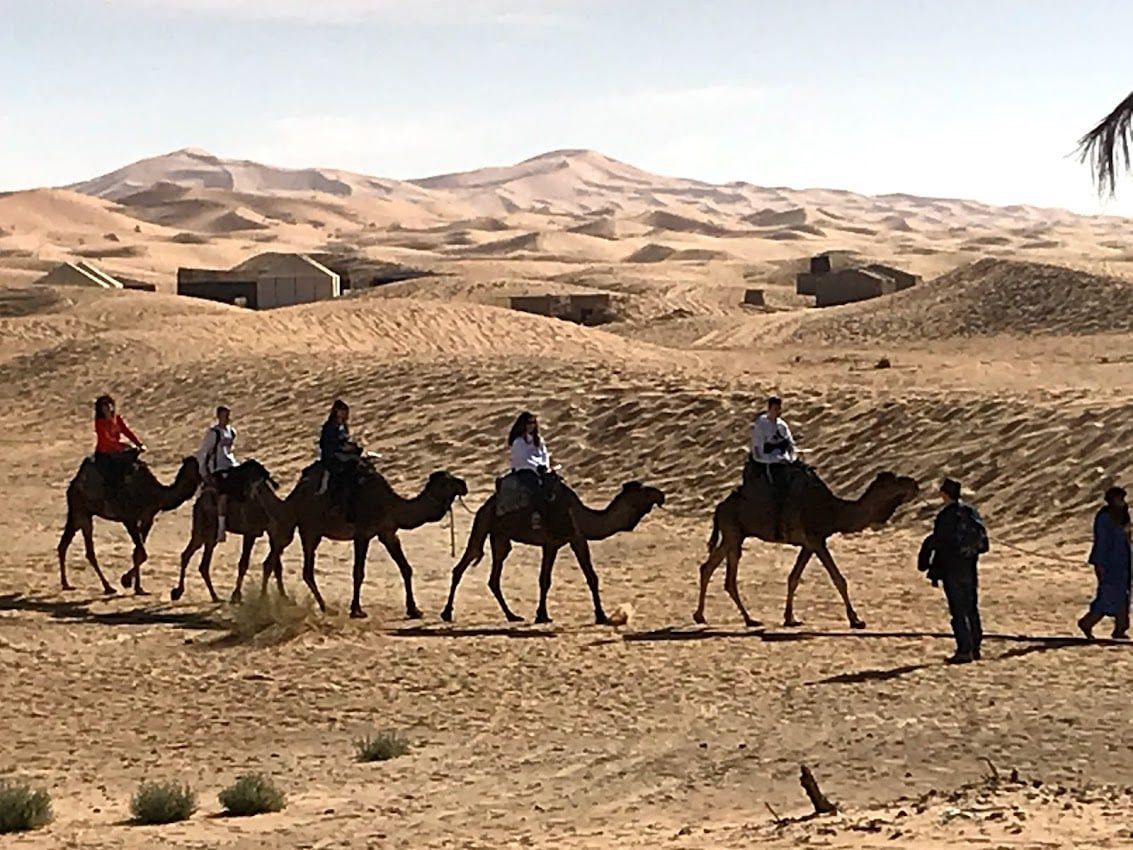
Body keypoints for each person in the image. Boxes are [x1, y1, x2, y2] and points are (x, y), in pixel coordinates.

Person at [928, 478, 988, 665]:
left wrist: (933, 570)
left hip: (952, 569)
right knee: (971, 607)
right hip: (969, 566)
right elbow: (983, 543)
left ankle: (964, 649)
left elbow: (940, 544)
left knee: (958, 610)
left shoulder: (945, 516)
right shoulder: (971, 513)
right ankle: (976, 646)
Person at [1078, 486, 1131, 641]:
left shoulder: (1123, 516)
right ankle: (1087, 623)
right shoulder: (1105, 517)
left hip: (1124, 562)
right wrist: (1100, 564)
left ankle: (1120, 629)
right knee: (1107, 596)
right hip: (1108, 563)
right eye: (1118, 499)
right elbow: (1102, 542)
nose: (1121, 502)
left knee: (1124, 597)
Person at [749, 396, 797, 539]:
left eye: (779, 409)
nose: (778, 412)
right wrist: (769, 456)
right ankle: (776, 524)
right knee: (778, 490)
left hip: (784, 461)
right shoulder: (761, 424)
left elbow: (791, 444)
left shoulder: (782, 426)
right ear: (769, 408)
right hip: (768, 463)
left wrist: (790, 457)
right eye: (775, 409)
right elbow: (758, 448)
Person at [196, 406, 239, 542]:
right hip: (218, 469)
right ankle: (221, 528)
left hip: (231, 465)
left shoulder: (231, 431)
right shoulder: (214, 433)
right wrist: (204, 472)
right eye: (224, 415)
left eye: (228, 415)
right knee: (224, 494)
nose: (226, 418)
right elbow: (204, 452)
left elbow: (229, 450)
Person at [506, 411, 553, 529]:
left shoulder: (538, 440)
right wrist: (536, 467)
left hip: (540, 469)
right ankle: (535, 516)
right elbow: (522, 459)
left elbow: (544, 455)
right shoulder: (518, 442)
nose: (531, 425)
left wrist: (544, 466)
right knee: (535, 487)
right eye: (529, 423)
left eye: (533, 422)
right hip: (524, 470)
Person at [317, 399, 363, 516]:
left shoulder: (342, 426)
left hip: (343, 454)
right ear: (337, 411)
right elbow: (329, 445)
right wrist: (344, 449)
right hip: (332, 457)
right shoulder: (330, 427)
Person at [92, 395, 145, 493]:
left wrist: (138, 444)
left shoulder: (117, 419)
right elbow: (107, 440)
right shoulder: (100, 423)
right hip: (105, 453)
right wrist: (122, 447)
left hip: (117, 449)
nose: (107, 408)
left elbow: (126, 431)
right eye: (104, 406)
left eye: (108, 405)